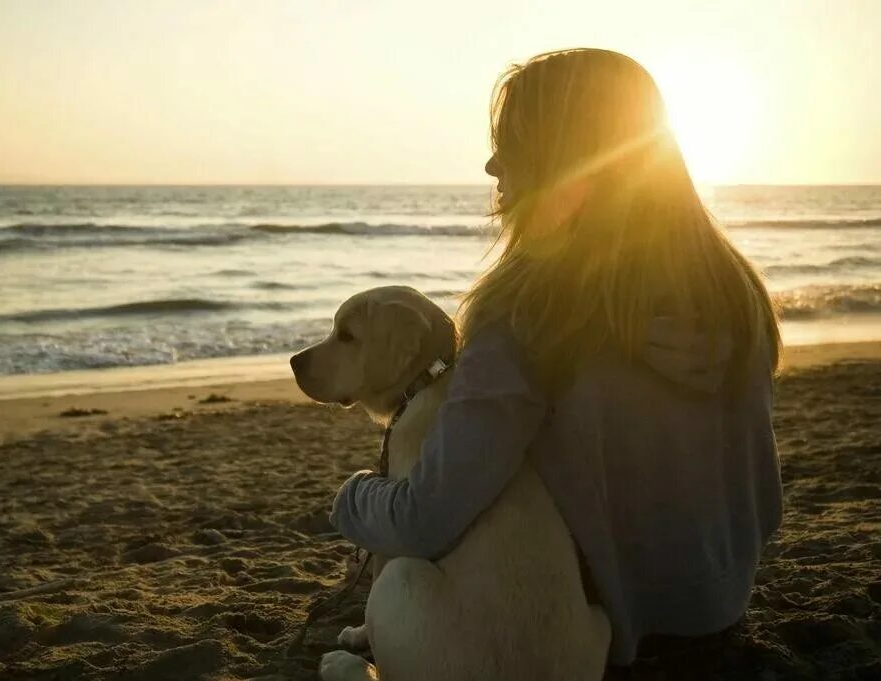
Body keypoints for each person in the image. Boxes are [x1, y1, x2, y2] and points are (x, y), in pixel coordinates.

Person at [330, 48, 782, 676]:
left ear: (566, 158)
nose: (491, 162)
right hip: (720, 619)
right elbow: (767, 502)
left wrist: (352, 498)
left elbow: (425, 520)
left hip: (601, 649)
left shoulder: (527, 316)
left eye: (510, 140)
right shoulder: (737, 295)